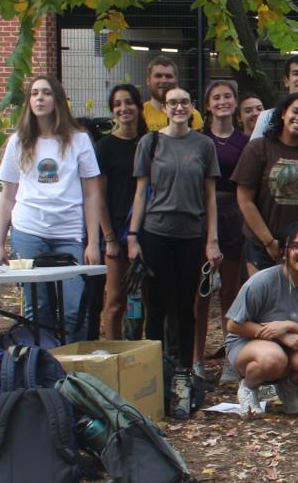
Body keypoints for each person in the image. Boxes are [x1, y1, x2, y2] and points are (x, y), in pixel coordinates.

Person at [0, 76, 106, 339]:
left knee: (74, 310)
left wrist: (92, 243)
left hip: (69, 235)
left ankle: (70, 372)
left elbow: (91, 194)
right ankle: (42, 369)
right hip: (28, 232)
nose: (39, 98)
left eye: (46, 93)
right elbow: (7, 196)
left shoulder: (79, 140)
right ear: (29, 102)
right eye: (34, 94)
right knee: (37, 309)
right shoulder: (18, 141)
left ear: (58, 100)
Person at [128, 84, 221, 374]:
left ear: (193, 106)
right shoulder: (150, 143)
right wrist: (133, 236)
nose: (179, 108)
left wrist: (212, 239)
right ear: (164, 108)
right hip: (156, 232)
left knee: (185, 306)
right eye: (172, 103)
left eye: (184, 102)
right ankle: (154, 372)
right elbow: (141, 192)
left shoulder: (204, 145)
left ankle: (183, 371)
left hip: (191, 235)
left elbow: (210, 195)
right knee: (155, 305)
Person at [225, 222, 298, 418]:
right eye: (297, 246)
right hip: (248, 345)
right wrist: (280, 337)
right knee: (273, 357)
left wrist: (290, 326)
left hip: (292, 348)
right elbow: (233, 324)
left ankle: (289, 388)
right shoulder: (263, 281)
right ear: (284, 252)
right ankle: (248, 389)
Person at [233, 91, 298, 276]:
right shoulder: (258, 148)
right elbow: (244, 200)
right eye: (295, 111)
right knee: (266, 304)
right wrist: (269, 242)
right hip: (263, 248)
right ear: (283, 113)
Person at [194, 78, 249, 380]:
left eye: (228, 96)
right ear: (207, 105)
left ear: (235, 102)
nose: (222, 102)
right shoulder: (199, 139)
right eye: (216, 97)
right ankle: (196, 359)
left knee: (231, 293)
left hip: (234, 217)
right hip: (202, 216)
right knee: (199, 294)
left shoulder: (244, 141)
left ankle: (232, 358)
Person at [94, 83, 143, 340]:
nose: (123, 109)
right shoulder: (105, 147)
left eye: (128, 102)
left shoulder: (149, 143)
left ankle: (140, 354)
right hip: (116, 233)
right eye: (117, 105)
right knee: (115, 302)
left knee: (143, 302)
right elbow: (98, 196)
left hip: (146, 233)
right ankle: (112, 354)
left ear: (138, 106)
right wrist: (109, 238)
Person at [140, 56, 203, 133]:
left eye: (168, 76)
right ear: (148, 81)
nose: (163, 80)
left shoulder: (192, 114)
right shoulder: (140, 114)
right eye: (158, 76)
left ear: (176, 80)